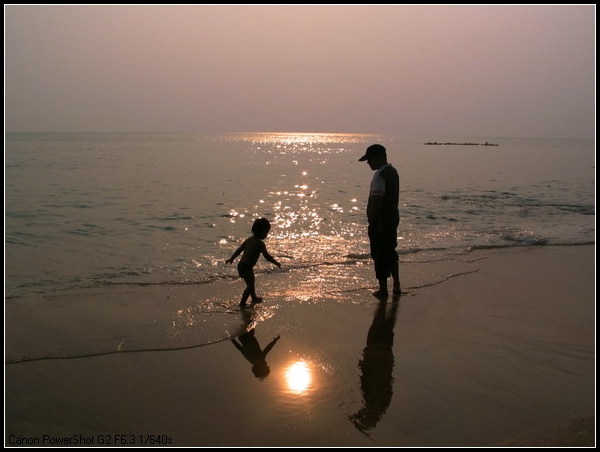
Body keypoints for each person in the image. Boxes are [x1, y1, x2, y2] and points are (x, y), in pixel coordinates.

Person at [359, 144, 401, 298]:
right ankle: (396, 285)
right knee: (390, 251)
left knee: (379, 254)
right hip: (392, 218)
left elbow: (376, 199)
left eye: (369, 159)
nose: (368, 162)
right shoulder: (392, 172)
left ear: (378, 157)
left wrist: (371, 220)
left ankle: (383, 290)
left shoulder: (379, 175)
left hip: (381, 221)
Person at [226, 217, 281, 307]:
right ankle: (242, 303)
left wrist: (231, 258)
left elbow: (239, 250)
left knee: (251, 283)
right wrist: (276, 262)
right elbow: (267, 256)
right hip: (247, 267)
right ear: (261, 231)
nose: (266, 235)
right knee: (250, 286)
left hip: (241, 265)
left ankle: (254, 297)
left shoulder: (248, 240)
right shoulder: (260, 243)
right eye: (266, 233)